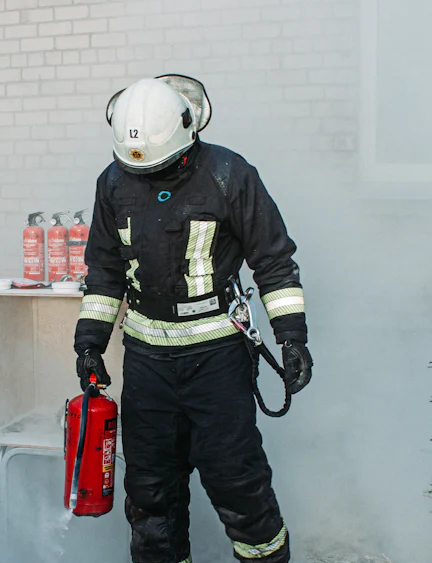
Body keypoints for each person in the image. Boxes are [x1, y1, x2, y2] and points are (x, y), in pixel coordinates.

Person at [73, 74, 313, 563]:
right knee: (150, 495)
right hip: (146, 364)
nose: (147, 178)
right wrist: (90, 344)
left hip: (216, 359)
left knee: (238, 481)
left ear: (187, 136)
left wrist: (290, 337)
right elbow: (103, 272)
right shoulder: (114, 181)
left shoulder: (230, 175)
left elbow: (273, 260)